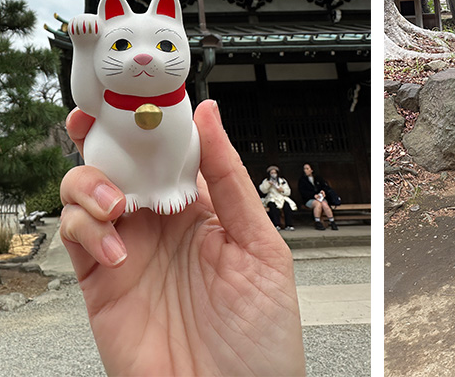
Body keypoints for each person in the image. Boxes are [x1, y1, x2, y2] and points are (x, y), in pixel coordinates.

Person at [59, 101, 307, 376]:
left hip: (177, 182)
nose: (143, 57)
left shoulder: (178, 106)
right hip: (129, 184)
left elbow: (178, 147)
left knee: (181, 139)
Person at [298, 163, 338, 231]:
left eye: (307, 169)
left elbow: (325, 187)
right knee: (318, 204)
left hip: (320, 198)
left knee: (325, 204)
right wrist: (313, 195)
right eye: (304, 169)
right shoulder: (302, 180)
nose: (305, 170)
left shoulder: (318, 178)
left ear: (312, 170)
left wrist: (323, 191)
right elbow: (303, 192)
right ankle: (317, 222)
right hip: (309, 199)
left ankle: (332, 221)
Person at [259, 165, 296, 231]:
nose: (273, 174)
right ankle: (276, 225)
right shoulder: (266, 181)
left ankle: (289, 225)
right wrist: (268, 184)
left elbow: (288, 191)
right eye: (272, 173)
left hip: (282, 198)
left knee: (287, 206)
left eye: (275, 173)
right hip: (272, 198)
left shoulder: (282, 181)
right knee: (273, 207)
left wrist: (282, 190)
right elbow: (263, 190)